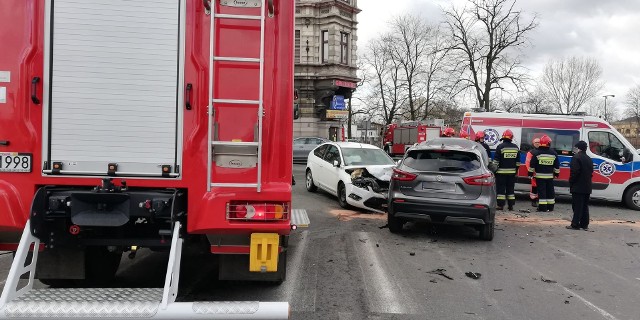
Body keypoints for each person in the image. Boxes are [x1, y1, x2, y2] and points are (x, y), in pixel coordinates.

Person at [529, 135, 560, 212]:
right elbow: (557, 166)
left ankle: (542, 208)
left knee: (542, 192)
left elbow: (532, 165)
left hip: (540, 177)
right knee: (550, 191)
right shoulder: (553, 153)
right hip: (550, 177)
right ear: (548, 143)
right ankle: (550, 207)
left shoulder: (536, 153)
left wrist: (530, 173)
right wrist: (556, 174)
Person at [567, 141, 593, 230]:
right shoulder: (589, 158)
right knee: (585, 206)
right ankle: (584, 224)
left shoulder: (576, 157)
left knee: (577, 206)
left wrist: (571, 182)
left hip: (578, 186)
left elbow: (575, 172)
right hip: (587, 186)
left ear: (579, 148)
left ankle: (575, 224)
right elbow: (591, 172)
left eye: (576, 147)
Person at [492, 129, 520, 210]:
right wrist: (515, 170)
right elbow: (518, 162)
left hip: (501, 173)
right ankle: (511, 205)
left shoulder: (500, 147)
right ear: (511, 138)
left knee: (501, 190)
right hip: (512, 173)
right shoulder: (515, 148)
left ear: (503, 138)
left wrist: (494, 171)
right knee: (510, 189)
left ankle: (500, 205)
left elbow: (496, 161)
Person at [525, 138, 541, 207]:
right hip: (534, 173)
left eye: (538, 142)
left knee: (541, 187)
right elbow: (528, 163)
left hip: (541, 173)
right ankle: (533, 201)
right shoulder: (530, 152)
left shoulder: (543, 151)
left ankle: (539, 200)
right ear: (533, 144)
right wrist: (531, 172)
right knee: (534, 187)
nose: (537, 143)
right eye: (536, 142)